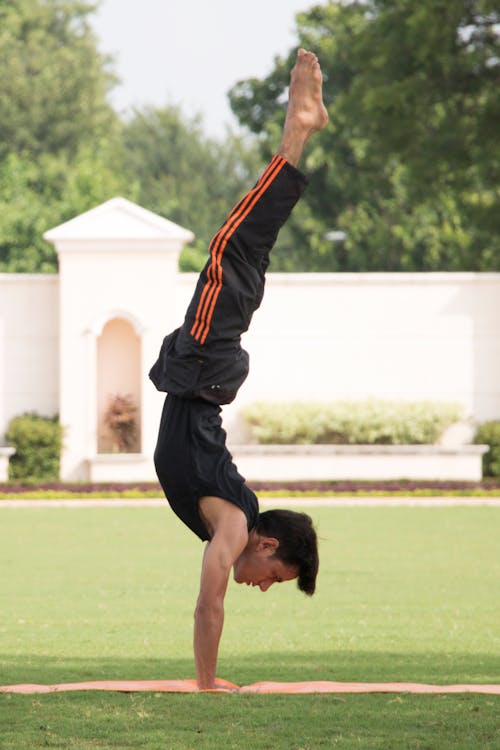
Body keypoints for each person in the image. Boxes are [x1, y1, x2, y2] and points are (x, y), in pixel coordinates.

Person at [149, 49, 329, 690]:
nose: (260, 586)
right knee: (236, 244)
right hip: (203, 366)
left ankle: (301, 124)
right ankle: (299, 125)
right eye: (273, 579)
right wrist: (206, 681)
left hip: (205, 366)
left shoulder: (229, 516)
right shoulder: (231, 523)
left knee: (244, 253)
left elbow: (213, 596)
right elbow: (209, 603)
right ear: (267, 546)